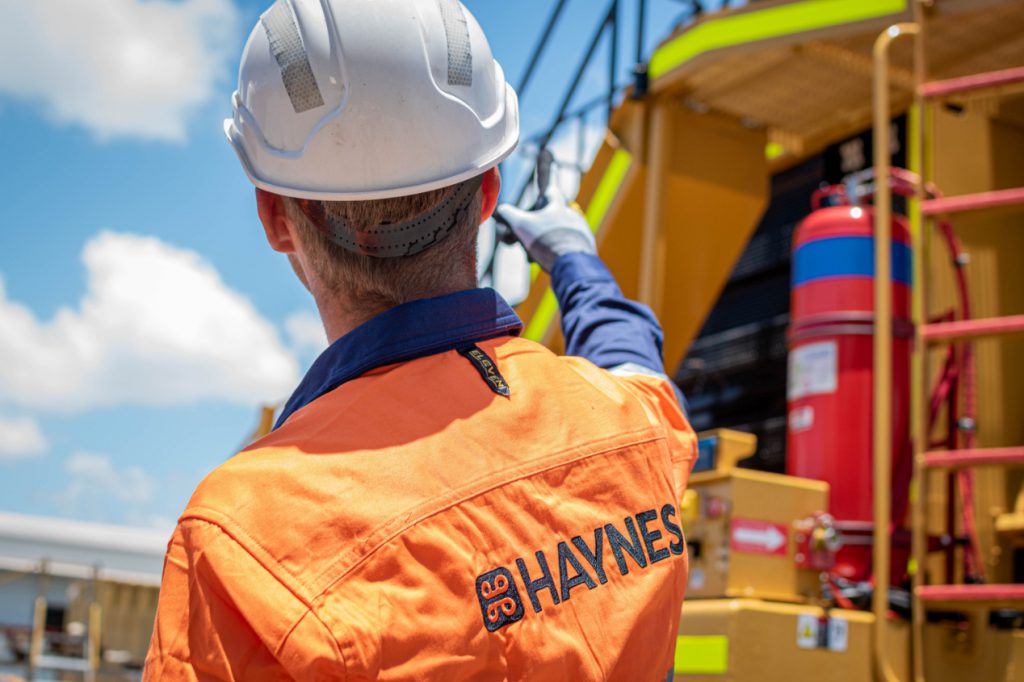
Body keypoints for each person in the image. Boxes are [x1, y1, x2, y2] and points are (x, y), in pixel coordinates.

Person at [143, 0, 696, 679]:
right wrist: (576, 261)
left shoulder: (240, 541)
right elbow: (635, 363)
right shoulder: (632, 426)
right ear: (489, 190)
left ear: (274, 218)